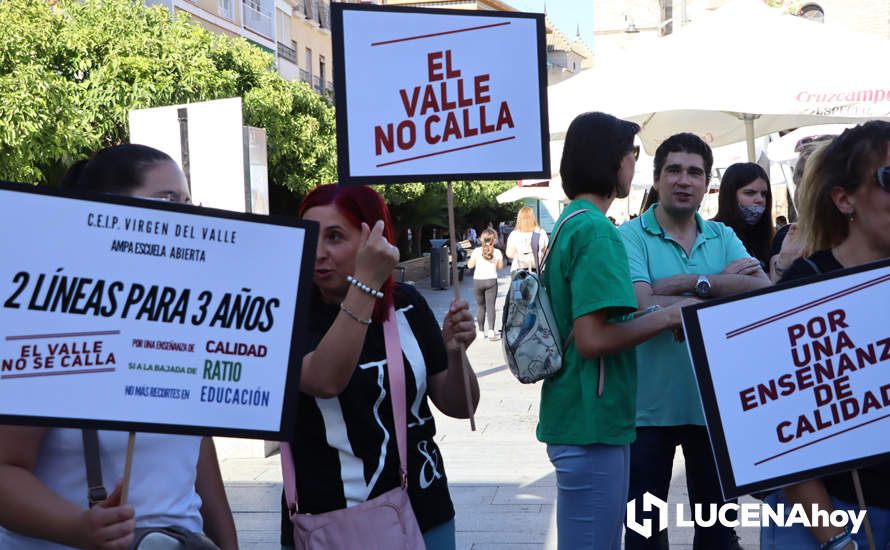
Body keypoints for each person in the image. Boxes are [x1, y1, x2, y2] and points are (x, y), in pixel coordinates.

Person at [0, 144, 238, 549]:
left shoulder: (187, 324)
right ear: (108, 211)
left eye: (188, 202)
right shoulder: (46, 325)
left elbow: (197, 462)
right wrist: (79, 527)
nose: (188, 216)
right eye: (168, 200)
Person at [281, 184, 480, 550]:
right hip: (327, 525)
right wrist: (367, 283)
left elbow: (461, 405)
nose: (318, 253)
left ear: (373, 237)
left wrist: (455, 353)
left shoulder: (407, 305)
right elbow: (324, 380)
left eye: (335, 237)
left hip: (424, 513)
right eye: (310, 237)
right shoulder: (286, 313)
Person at [538, 112, 693, 549]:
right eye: (634, 154)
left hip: (577, 413)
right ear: (612, 159)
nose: (636, 166)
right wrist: (664, 317)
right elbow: (592, 339)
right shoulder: (597, 231)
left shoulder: (570, 221)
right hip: (593, 421)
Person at [619, 133, 771, 550]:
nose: (684, 180)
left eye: (694, 172)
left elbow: (763, 294)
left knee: (719, 536)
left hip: (717, 413)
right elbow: (640, 303)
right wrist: (725, 289)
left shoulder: (721, 235)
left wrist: (691, 283)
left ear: (707, 184)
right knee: (644, 536)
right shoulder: (629, 236)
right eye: (674, 170)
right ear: (656, 178)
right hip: (646, 415)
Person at [761, 121, 890, 550]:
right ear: (844, 198)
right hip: (832, 518)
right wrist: (836, 540)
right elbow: (778, 436)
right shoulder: (805, 287)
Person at [712, 162, 776, 270]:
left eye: (764, 194)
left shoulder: (770, 236)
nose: (760, 199)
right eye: (750, 193)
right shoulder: (712, 236)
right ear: (730, 196)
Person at [467, 228, 503, 341]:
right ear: (494, 240)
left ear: (482, 238)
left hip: (478, 280)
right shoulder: (497, 252)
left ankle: (481, 332)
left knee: (480, 306)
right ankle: (491, 331)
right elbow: (500, 267)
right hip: (491, 280)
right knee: (491, 306)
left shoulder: (477, 251)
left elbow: (470, 266)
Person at [506, 206, 549, 272]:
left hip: (518, 270)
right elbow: (547, 252)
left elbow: (509, 254)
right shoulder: (541, 232)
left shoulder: (514, 234)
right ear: (533, 217)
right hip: (538, 271)